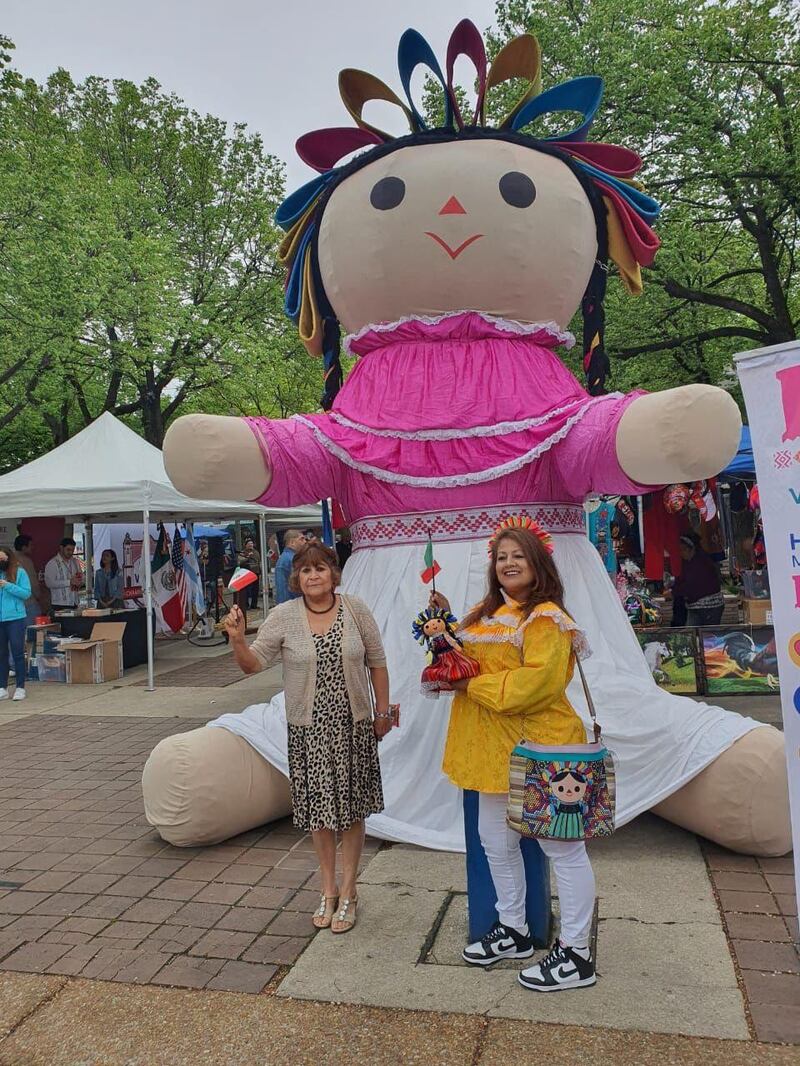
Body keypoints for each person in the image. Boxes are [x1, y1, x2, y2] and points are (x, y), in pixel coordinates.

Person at [432, 519, 597, 992]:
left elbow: (535, 685)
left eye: (517, 556)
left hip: (542, 748)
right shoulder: (483, 617)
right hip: (490, 753)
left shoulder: (545, 618)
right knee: (494, 841)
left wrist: (469, 683)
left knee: (563, 849)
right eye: (501, 557)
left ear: (538, 563)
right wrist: (442, 633)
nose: (508, 564)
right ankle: (515, 931)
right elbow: (459, 661)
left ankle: (577, 954)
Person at [224, 541, 392, 933]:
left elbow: (378, 663)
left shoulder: (356, 610)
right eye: (305, 570)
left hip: (352, 726)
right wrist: (237, 640)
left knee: (350, 810)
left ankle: (350, 891)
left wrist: (381, 713)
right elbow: (253, 664)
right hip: (308, 730)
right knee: (320, 814)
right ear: (296, 578)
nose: (313, 575)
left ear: (334, 574)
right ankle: (328, 889)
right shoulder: (283, 616)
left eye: (320, 569)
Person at [0, 546, 32, 702]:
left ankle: (20, 687)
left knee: (18, 652)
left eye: (2, 558)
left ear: (8, 558)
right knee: (2, 654)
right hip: (0, 619)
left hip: (16, 618)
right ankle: (3, 687)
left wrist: (7, 585)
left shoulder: (19, 572)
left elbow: (26, 593)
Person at [674, 533, 724, 627]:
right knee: (692, 633)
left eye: (684, 550)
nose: (681, 553)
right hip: (695, 605)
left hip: (709, 606)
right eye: (680, 550)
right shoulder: (687, 562)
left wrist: (675, 592)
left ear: (691, 549)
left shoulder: (701, 562)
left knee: (707, 635)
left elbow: (692, 585)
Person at [14, 534, 48, 624]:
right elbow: (32, 583)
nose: (33, 547)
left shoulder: (9, 560)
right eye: (31, 545)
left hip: (14, 604)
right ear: (24, 547)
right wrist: (39, 597)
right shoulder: (26, 561)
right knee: (33, 632)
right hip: (28, 602)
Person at [44, 537, 84, 611]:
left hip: (74, 602)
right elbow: (49, 583)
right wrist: (69, 582)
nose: (71, 552)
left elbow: (81, 577)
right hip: (60, 604)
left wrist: (80, 582)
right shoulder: (52, 563)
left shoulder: (75, 562)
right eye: (68, 550)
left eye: (72, 550)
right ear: (61, 548)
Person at [274, 529, 304, 605]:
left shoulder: (287, 558)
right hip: (291, 602)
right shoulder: (291, 559)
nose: (305, 542)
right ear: (292, 542)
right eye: (301, 539)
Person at [237, 538, 262, 610]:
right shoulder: (242, 552)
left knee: (255, 589)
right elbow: (239, 561)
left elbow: (259, 562)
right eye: (249, 544)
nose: (251, 545)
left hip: (256, 572)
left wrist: (260, 571)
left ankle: (254, 605)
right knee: (247, 590)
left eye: (252, 543)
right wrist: (247, 557)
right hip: (247, 573)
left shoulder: (256, 552)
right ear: (246, 545)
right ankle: (246, 605)